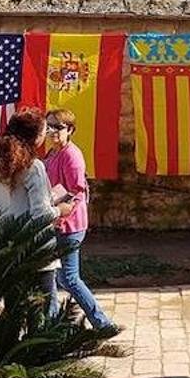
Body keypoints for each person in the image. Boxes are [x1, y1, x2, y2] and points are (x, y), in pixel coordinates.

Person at [0, 108, 72, 313]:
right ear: (34, 137)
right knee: (46, 311)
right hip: (34, 249)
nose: (46, 134)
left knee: (13, 310)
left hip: (4, 246)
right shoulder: (33, 167)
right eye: (43, 131)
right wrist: (61, 210)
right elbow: (40, 214)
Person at [43, 109, 113, 330]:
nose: (52, 131)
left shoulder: (71, 155)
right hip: (56, 221)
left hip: (69, 225)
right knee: (58, 277)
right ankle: (54, 323)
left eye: (58, 127)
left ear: (70, 130)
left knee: (69, 278)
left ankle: (102, 323)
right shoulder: (52, 153)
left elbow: (76, 190)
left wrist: (59, 212)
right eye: (49, 126)